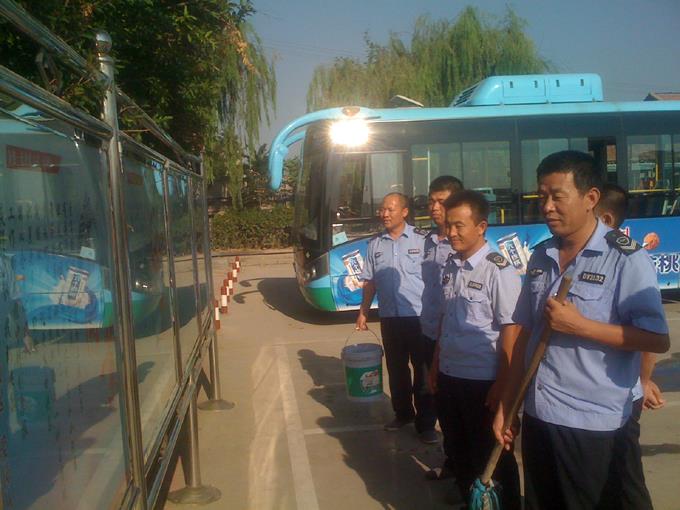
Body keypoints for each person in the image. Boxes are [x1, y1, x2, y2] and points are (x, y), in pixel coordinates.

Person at [494, 151, 670, 510]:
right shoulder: (541, 256)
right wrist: (507, 405)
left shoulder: (626, 258)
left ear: (590, 198)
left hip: (592, 423)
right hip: (540, 415)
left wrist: (581, 326)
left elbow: (657, 339)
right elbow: (525, 334)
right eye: (542, 196)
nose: (547, 207)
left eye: (557, 196)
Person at [431, 190, 521, 509]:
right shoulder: (451, 266)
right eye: (448, 225)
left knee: (492, 457)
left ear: (481, 227)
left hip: (482, 383)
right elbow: (445, 320)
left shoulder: (498, 270)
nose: (451, 232)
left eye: (459, 226)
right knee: (458, 449)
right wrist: (435, 366)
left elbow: (512, 330)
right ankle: (468, 499)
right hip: (449, 375)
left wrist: (503, 386)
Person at [594, 183, 664, 510]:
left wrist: (644, 381)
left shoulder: (629, 259)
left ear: (606, 219)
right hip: (591, 399)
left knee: (626, 477)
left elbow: (650, 336)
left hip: (622, 396)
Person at [355, 193, 437, 442]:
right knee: (396, 370)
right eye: (382, 209)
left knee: (423, 372)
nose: (385, 214)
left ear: (404, 212)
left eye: (390, 209)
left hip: (419, 317)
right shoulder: (375, 245)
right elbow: (370, 281)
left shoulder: (424, 240)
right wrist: (363, 311)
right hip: (390, 318)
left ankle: (426, 425)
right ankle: (403, 414)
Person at [420, 176, 464, 477]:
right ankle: (452, 460)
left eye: (442, 201)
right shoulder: (427, 241)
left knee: (458, 405)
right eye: (431, 201)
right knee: (438, 398)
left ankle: (463, 466)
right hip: (429, 330)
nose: (435, 207)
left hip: (456, 337)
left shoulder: (464, 244)